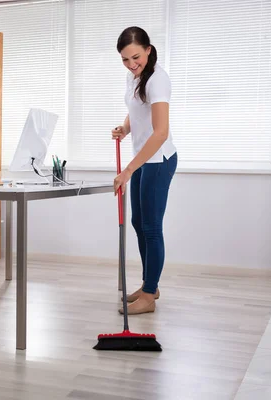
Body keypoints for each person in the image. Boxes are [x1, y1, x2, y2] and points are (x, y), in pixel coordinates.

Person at [112, 26, 178, 315]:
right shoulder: (135, 76)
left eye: (136, 57)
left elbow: (160, 132)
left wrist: (127, 170)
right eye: (125, 59)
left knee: (151, 228)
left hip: (158, 160)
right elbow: (136, 108)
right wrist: (125, 128)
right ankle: (150, 284)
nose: (131, 64)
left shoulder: (158, 80)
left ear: (149, 50)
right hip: (142, 158)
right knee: (139, 224)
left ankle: (149, 294)